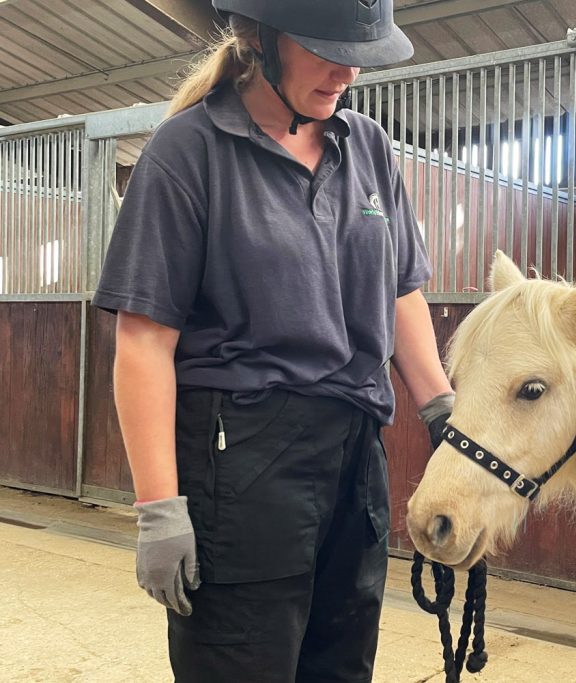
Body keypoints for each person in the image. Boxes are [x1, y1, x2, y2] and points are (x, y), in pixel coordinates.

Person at [92, 1, 453, 680]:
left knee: (343, 667)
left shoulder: (367, 145)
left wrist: (442, 411)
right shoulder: (187, 152)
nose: (347, 69)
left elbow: (402, 287)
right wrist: (159, 508)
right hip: (244, 462)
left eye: (359, 53)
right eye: (326, 48)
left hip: (355, 459)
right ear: (262, 37)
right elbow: (143, 341)